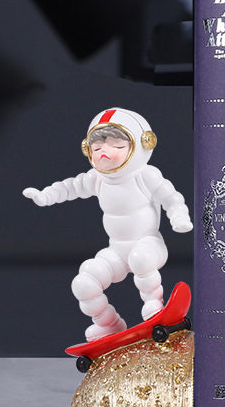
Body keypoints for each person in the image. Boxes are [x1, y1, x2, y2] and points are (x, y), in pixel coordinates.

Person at [23, 108, 192, 341]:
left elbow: (171, 199)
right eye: (96, 148)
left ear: (142, 145)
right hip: (117, 251)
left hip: (148, 245)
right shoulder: (97, 178)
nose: (104, 152)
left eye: (118, 146)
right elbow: (70, 187)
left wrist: (179, 217)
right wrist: (46, 196)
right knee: (84, 282)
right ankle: (108, 324)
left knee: (141, 259)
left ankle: (155, 305)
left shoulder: (145, 175)